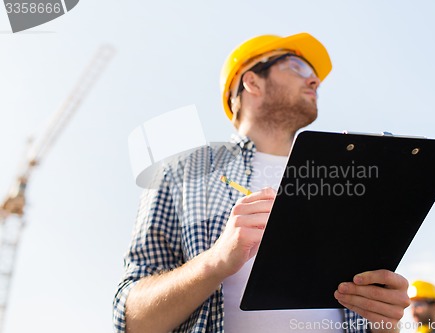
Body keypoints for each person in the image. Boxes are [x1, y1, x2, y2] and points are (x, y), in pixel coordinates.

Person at [113, 32, 410, 333]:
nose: (314, 81)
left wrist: (384, 322)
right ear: (252, 82)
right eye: (298, 67)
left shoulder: (345, 180)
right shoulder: (183, 173)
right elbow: (133, 321)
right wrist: (216, 261)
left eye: (315, 76)